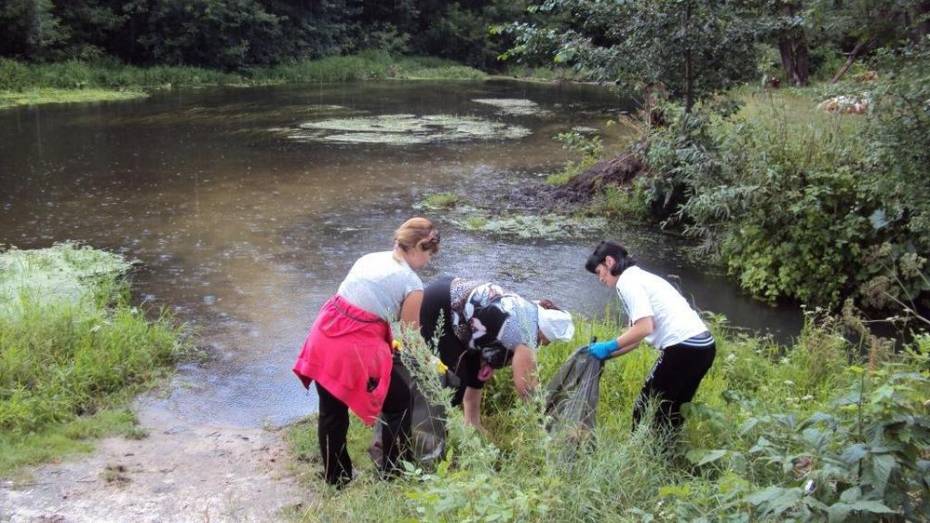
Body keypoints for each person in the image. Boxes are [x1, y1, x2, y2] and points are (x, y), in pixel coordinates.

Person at [292, 217, 440, 487]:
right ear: (418, 247)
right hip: (355, 347)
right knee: (399, 405)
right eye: (429, 255)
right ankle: (394, 474)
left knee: (331, 411)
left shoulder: (369, 258)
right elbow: (410, 337)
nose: (428, 262)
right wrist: (430, 363)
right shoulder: (412, 284)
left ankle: (336, 478)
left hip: (324, 334)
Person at [584, 240, 715, 442]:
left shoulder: (627, 282)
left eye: (598, 271)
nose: (600, 279)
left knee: (645, 406)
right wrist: (604, 355)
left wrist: (607, 346)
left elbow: (645, 327)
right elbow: (635, 337)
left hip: (683, 348)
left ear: (609, 262)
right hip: (704, 348)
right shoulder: (639, 276)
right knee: (673, 409)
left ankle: (637, 454)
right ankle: (664, 454)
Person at [419, 277, 575, 431]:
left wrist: (491, 361)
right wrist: (547, 421)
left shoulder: (530, 312)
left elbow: (494, 327)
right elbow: (527, 388)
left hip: (448, 289)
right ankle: (430, 430)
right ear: (546, 332)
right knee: (453, 382)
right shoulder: (527, 336)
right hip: (440, 306)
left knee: (475, 374)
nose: (547, 344)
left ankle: (472, 424)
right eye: (550, 340)